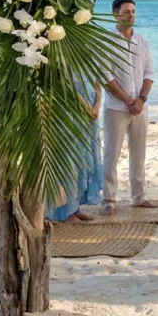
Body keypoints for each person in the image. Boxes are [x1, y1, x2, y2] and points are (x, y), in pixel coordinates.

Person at [101, 0, 158, 216]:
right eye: (126, 12)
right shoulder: (106, 41)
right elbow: (106, 77)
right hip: (116, 107)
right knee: (112, 154)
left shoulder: (142, 41)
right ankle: (109, 199)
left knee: (139, 153)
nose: (130, 15)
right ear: (115, 14)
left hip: (140, 107)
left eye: (133, 11)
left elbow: (149, 73)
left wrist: (141, 99)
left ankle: (139, 196)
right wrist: (127, 100)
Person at [45, 78, 103, 223]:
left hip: (90, 108)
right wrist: (87, 108)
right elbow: (62, 82)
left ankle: (75, 208)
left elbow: (97, 79)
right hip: (69, 107)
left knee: (83, 157)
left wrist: (96, 105)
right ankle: (67, 211)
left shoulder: (92, 55)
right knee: (69, 159)